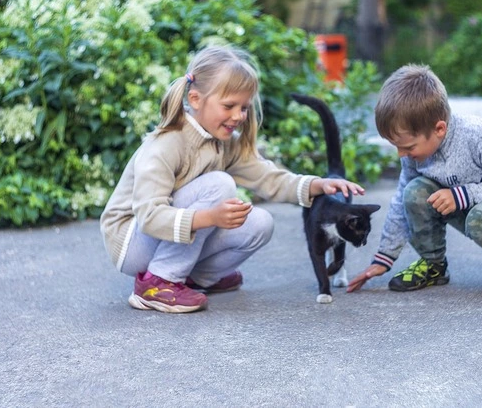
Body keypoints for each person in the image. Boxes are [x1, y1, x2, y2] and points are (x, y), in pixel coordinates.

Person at [100, 44, 365, 314]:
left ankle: (197, 278)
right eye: (229, 106)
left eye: (244, 107)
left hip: (161, 239)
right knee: (220, 184)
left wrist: (316, 185)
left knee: (261, 223)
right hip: (132, 241)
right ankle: (159, 282)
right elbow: (148, 215)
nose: (238, 116)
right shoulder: (166, 145)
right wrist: (210, 218)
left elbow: (267, 178)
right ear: (195, 99)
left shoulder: (224, 142)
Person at [347, 64, 482, 296]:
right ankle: (433, 265)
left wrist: (461, 196)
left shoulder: (479, 136)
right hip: (464, 200)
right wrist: (385, 257)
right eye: (396, 147)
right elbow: (401, 200)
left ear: (439, 129)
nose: (400, 154)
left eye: (406, 147)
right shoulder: (415, 152)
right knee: (414, 191)